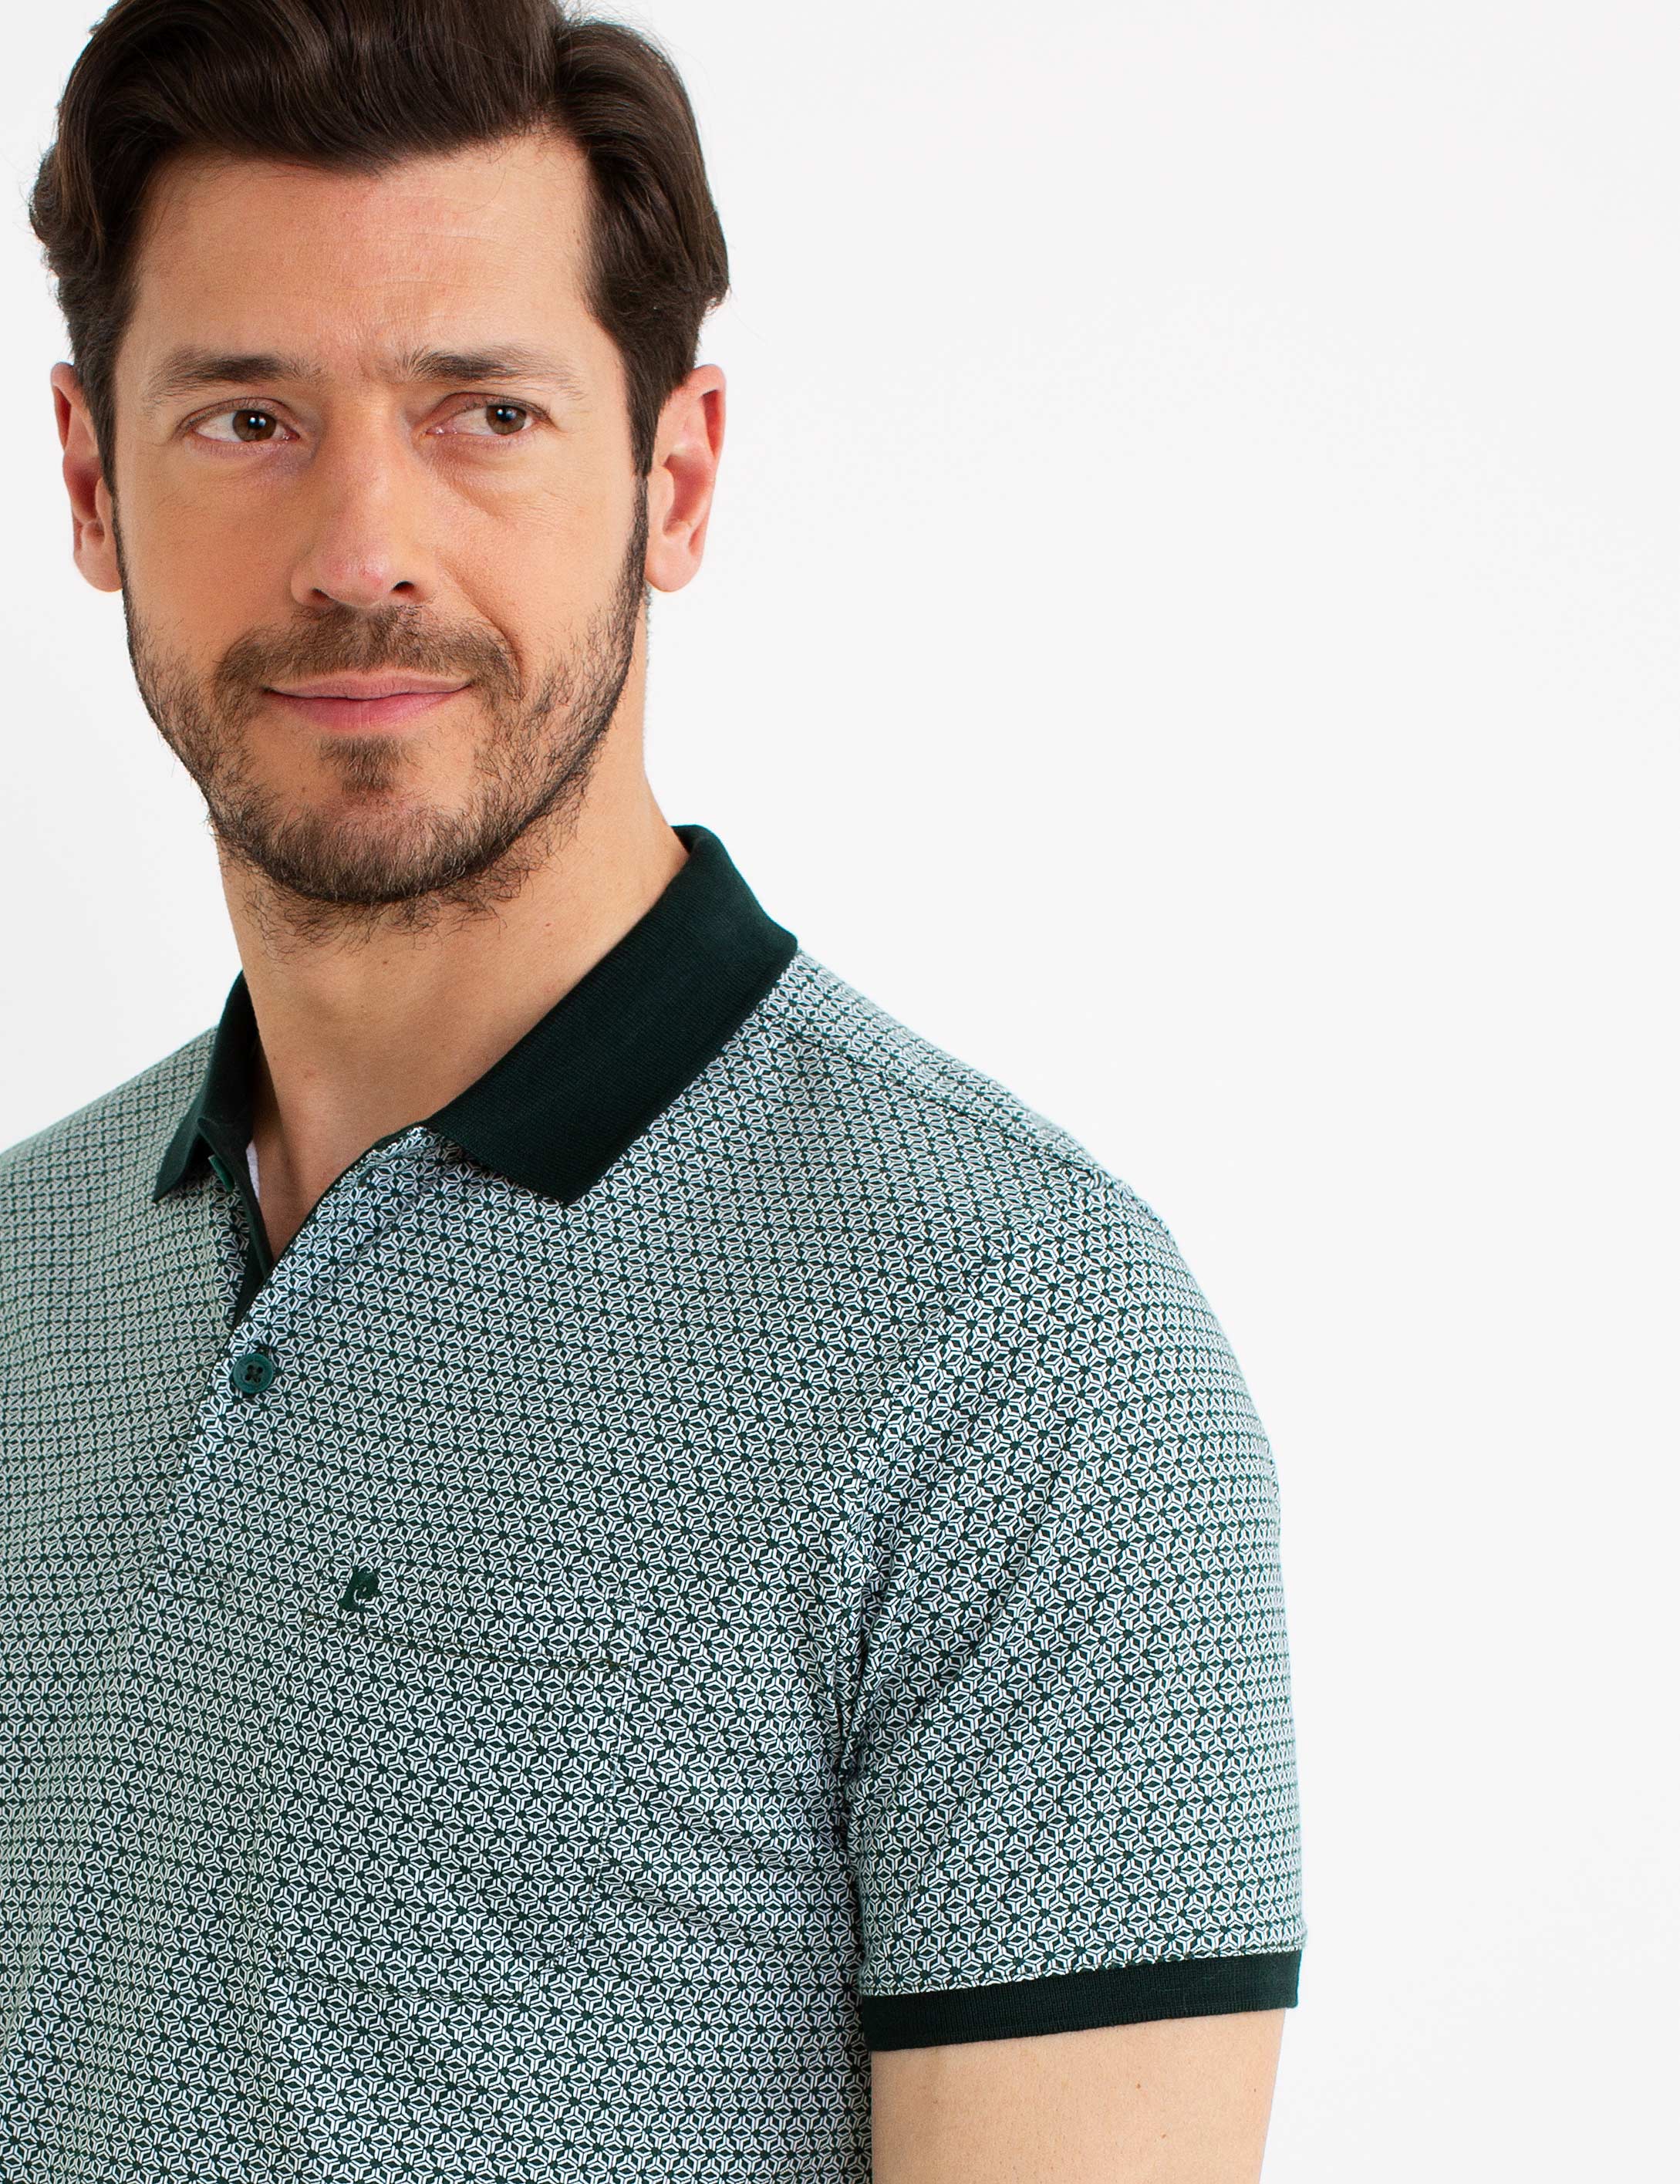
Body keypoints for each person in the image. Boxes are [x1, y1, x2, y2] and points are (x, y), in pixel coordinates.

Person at [0, 2, 1306, 2175]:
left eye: (485, 413)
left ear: (671, 477)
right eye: (247, 418)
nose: (361, 547)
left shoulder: (1025, 1354)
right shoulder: (20, 1268)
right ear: (89, 480)